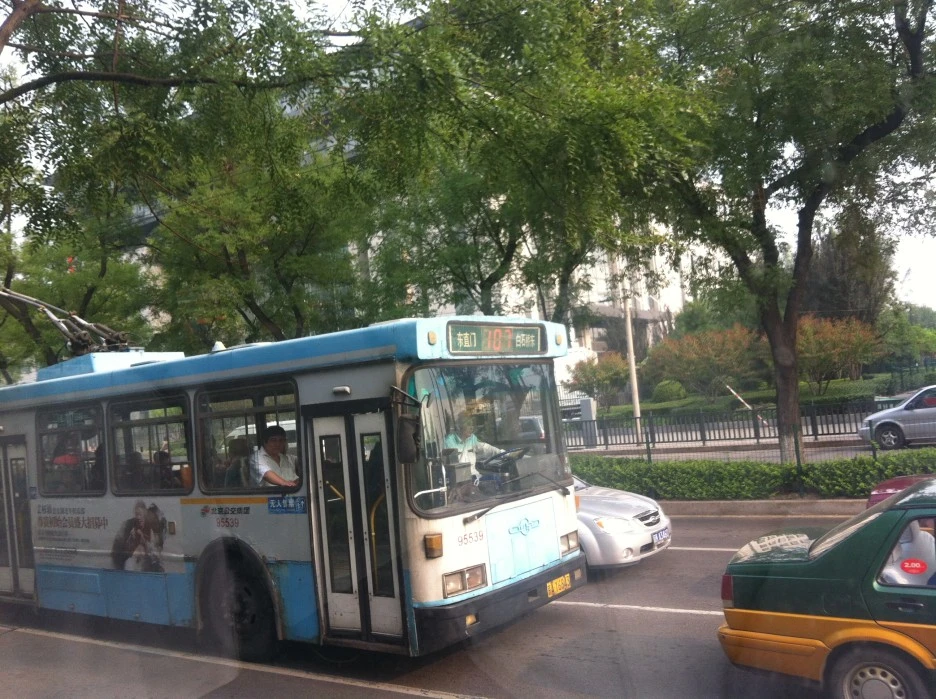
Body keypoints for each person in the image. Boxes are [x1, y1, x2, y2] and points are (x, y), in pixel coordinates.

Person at [444, 412, 501, 478]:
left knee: (497, 478)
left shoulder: (472, 438)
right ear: (460, 427)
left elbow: (485, 448)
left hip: (475, 477)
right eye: (468, 424)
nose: (471, 428)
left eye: (472, 425)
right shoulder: (449, 441)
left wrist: (504, 453)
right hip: (460, 479)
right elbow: (449, 467)